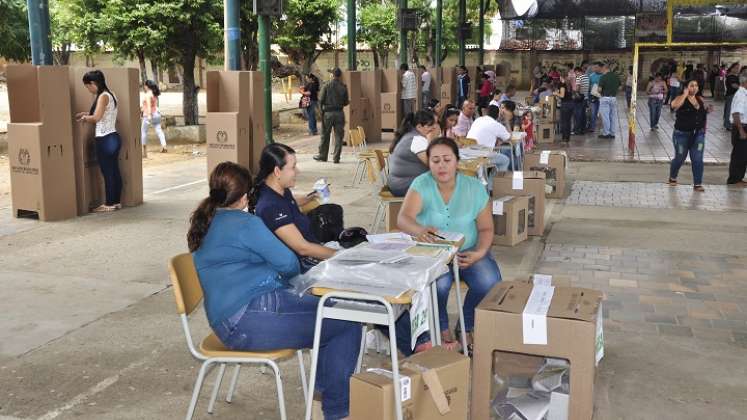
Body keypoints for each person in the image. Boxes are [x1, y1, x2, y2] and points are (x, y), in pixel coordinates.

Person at [188, 162, 361, 420]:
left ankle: (323, 398)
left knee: (332, 314)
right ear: (245, 195)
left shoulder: (207, 221)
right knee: (347, 319)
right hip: (251, 318)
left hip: (226, 322)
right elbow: (288, 262)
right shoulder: (246, 223)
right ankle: (335, 411)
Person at [393, 137, 501, 355]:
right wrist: (419, 231)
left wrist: (480, 253)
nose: (441, 166)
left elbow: (487, 229)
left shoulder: (474, 188)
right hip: (433, 253)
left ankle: (466, 324)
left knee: (490, 282)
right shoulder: (422, 184)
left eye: (446, 160)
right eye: (435, 161)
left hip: (467, 250)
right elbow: (403, 218)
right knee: (438, 286)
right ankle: (441, 328)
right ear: (428, 163)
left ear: (456, 161)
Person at [251, 143, 337, 272]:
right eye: (293, 167)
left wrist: (309, 197)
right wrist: (341, 255)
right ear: (277, 171)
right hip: (301, 266)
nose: (298, 171)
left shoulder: (278, 189)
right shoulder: (270, 206)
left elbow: (288, 203)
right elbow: (302, 248)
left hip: (310, 250)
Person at [75, 70, 122, 213]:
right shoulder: (111, 94)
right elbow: (103, 114)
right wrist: (86, 114)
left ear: (93, 83)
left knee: (107, 172)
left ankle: (108, 204)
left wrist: (84, 119)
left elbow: (96, 118)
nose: (88, 90)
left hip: (104, 138)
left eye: (88, 86)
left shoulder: (102, 97)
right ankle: (116, 202)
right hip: (113, 137)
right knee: (114, 171)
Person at [668, 80, 711, 192]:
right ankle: (673, 176)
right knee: (680, 158)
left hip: (698, 134)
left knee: (697, 159)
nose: (694, 88)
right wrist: (685, 94)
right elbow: (673, 106)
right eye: (691, 86)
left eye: (696, 85)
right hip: (681, 135)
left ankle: (697, 184)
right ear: (686, 87)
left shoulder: (700, 99)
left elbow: (701, 114)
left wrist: (707, 111)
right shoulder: (680, 98)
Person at [387, 109, 441, 197]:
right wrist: (431, 140)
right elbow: (433, 164)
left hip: (399, 182)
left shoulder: (412, 135)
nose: (434, 127)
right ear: (419, 127)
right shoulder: (417, 140)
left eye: (435, 123)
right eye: (430, 125)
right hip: (402, 185)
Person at [315, 68, 349, 164]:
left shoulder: (326, 86)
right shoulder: (343, 87)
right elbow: (346, 102)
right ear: (340, 76)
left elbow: (320, 100)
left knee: (325, 135)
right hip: (339, 113)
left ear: (332, 75)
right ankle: (336, 158)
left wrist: (322, 113)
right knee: (339, 136)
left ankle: (323, 155)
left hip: (328, 114)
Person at [466, 105, 511, 171]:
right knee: (505, 160)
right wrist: (506, 121)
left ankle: (490, 177)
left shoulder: (478, 120)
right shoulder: (496, 125)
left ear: (486, 113)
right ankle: (498, 180)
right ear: (498, 115)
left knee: (495, 156)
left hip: (467, 153)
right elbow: (508, 138)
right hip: (482, 156)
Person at [727, 71, 747, 186]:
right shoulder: (740, 95)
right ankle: (734, 179)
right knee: (739, 155)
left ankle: (739, 177)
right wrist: (741, 130)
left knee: (744, 155)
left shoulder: (745, 93)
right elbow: (736, 114)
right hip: (741, 127)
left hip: (744, 126)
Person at [140, 79, 167, 157]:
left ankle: (144, 152)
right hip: (157, 114)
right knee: (159, 130)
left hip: (149, 115)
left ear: (147, 86)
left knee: (144, 132)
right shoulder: (154, 94)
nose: (144, 87)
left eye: (144, 85)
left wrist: (148, 116)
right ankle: (164, 146)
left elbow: (148, 106)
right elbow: (152, 105)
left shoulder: (148, 94)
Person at [597, 63, 620, 139]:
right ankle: (612, 133)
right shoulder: (616, 76)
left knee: (605, 116)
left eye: (602, 69)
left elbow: (599, 89)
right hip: (613, 97)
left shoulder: (603, 77)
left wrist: (598, 91)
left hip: (605, 97)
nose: (601, 70)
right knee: (613, 116)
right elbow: (620, 87)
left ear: (605, 68)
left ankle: (606, 133)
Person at [555, 74, 574, 143]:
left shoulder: (562, 84)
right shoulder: (569, 84)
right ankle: (567, 137)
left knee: (564, 122)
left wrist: (556, 93)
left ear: (561, 77)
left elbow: (562, 95)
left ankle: (564, 138)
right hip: (571, 104)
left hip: (565, 104)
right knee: (568, 122)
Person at [724, 63, 741, 131]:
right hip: (731, 95)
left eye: (738, 68)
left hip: (733, 95)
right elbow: (734, 85)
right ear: (732, 68)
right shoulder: (731, 76)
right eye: (736, 68)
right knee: (729, 110)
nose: (738, 69)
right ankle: (728, 125)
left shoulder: (734, 76)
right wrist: (742, 88)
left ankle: (729, 124)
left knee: (731, 110)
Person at [587, 62, 603, 133]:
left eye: (596, 67)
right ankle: (592, 127)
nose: (594, 69)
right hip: (593, 96)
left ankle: (602, 128)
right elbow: (588, 86)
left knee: (602, 113)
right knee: (593, 112)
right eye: (594, 67)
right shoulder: (591, 76)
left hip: (601, 96)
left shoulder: (603, 76)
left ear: (600, 67)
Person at [574, 66, 589, 135]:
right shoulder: (586, 77)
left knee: (578, 115)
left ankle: (577, 130)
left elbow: (577, 88)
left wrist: (574, 91)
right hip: (585, 98)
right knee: (583, 115)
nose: (575, 74)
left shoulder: (579, 78)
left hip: (579, 99)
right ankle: (583, 129)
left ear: (578, 71)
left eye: (575, 73)